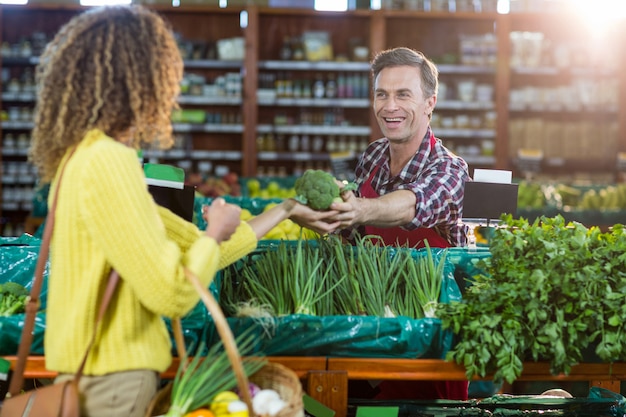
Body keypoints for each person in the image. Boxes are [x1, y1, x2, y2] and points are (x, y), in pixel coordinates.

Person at [28, 6, 316, 417]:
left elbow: (189, 246)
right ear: (142, 81)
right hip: (115, 383)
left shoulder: (79, 160)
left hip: (90, 374)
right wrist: (214, 232)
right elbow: (173, 292)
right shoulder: (111, 163)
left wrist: (284, 210)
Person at [293, 47, 471, 400]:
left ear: (429, 103)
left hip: (428, 347)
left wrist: (361, 209)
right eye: (382, 94)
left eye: (403, 94)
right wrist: (325, 218)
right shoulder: (374, 155)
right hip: (369, 331)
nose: (390, 106)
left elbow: (413, 204)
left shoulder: (451, 168)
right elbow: (354, 234)